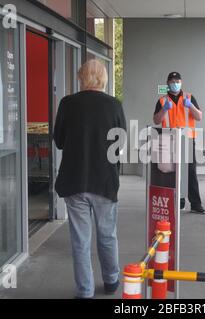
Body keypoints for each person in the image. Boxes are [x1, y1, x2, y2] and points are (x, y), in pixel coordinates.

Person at [54, 59, 126, 299]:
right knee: (107, 235)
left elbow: (59, 141)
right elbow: (120, 145)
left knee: (80, 241)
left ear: (81, 77)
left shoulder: (67, 104)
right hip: (105, 181)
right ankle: (111, 280)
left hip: (75, 181)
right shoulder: (114, 105)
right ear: (103, 78)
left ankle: (84, 291)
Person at [153, 72, 205, 214]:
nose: (175, 83)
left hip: (187, 139)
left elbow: (199, 116)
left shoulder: (189, 97)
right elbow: (156, 120)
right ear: (167, 83)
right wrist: (164, 110)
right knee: (171, 171)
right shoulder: (162, 100)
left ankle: (195, 203)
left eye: (177, 81)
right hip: (168, 139)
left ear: (181, 82)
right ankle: (177, 201)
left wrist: (191, 107)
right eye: (172, 81)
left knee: (190, 171)